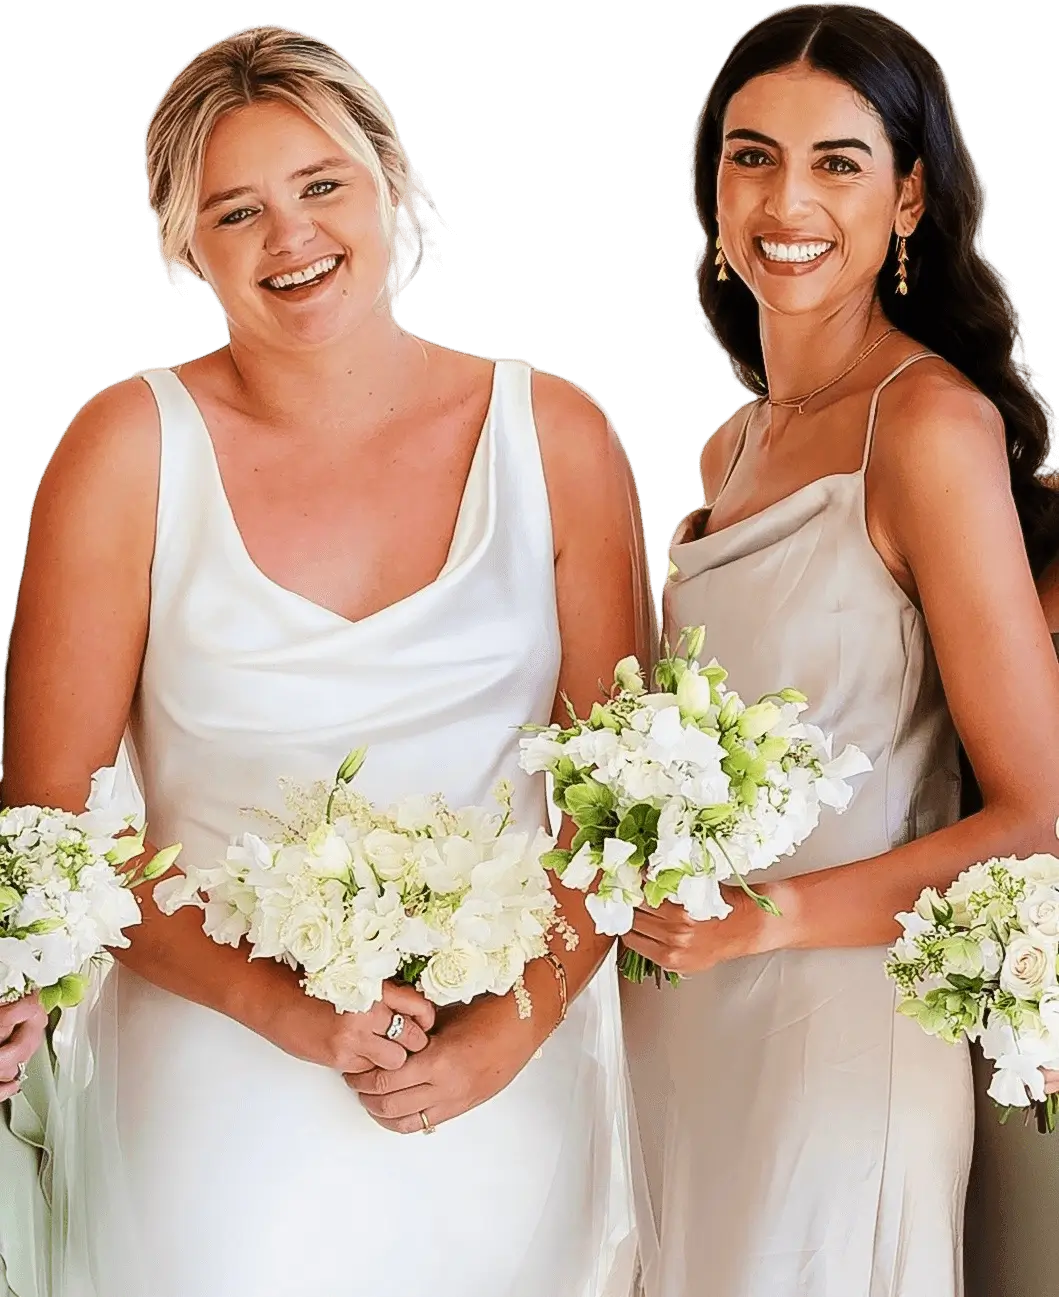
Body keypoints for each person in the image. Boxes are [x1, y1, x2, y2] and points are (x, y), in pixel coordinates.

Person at [0, 26, 652, 1297]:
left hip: (495, 1088)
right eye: (234, 210)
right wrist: (291, 1014)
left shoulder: (556, 436)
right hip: (216, 1089)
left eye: (320, 186)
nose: (288, 237)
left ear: (391, 182)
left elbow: (615, 816)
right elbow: (55, 833)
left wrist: (500, 1044)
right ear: (188, 243)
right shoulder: (125, 451)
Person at [620, 5, 1059, 1296]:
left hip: (833, 1028)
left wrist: (768, 921)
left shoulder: (923, 426)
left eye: (835, 161)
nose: (782, 198)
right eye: (749, 156)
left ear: (908, 196)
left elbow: (1036, 816)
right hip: (683, 1031)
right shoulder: (724, 451)